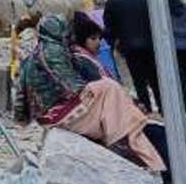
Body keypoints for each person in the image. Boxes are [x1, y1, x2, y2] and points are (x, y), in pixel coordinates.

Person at [18, 15, 165, 172]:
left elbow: (20, 102)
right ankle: (120, 140)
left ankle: (122, 135)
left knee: (108, 91)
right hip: (56, 114)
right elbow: (72, 87)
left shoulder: (35, 55)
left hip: (47, 115)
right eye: (93, 38)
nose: (98, 43)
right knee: (108, 88)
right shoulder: (54, 52)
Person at [103, 0, 161, 112]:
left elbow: (108, 24)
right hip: (149, 45)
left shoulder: (112, 1)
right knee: (154, 78)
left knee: (138, 80)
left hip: (129, 46)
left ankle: (146, 108)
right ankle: (162, 107)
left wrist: (113, 42)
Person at [71, 13, 116, 82]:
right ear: (81, 40)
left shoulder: (87, 57)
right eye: (93, 38)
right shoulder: (82, 60)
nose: (98, 42)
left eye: (100, 38)